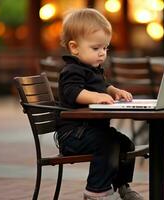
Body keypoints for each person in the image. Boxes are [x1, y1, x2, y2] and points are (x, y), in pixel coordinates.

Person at [57, 8, 144, 200]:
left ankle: (122, 185)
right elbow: (73, 92)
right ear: (74, 47)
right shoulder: (72, 70)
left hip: (93, 131)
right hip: (73, 135)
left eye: (105, 48)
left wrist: (114, 91)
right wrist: (95, 97)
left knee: (125, 144)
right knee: (108, 144)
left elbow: (104, 86)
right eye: (96, 48)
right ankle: (95, 191)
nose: (102, 53)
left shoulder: (94, 69)